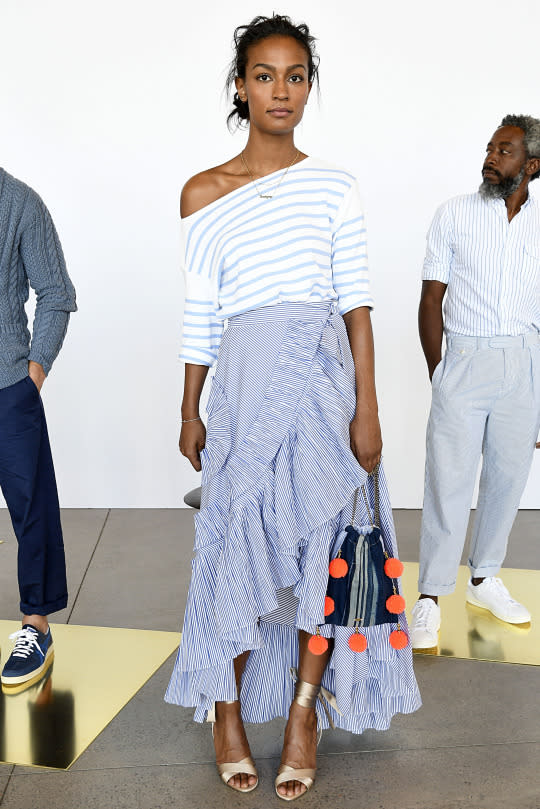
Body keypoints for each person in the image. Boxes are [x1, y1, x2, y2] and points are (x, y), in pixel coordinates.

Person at [165, 14, 420, 800]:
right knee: (236, 549)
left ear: (310, 86)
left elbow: (359, 308)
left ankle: (305, 710)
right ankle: (228, 710)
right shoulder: (202, 192)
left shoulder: (335, 186)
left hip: (323, 389)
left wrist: (367, 409)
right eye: (265, 75)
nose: (282, 89)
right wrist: (189, 409)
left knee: (323, 554)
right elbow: (201, 315)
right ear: (240, 86)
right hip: (243, 391)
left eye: (296, 75)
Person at [411, 115, 540, 650]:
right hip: (464, 360)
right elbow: (430, 299)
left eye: (505, 151)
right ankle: (430, 597)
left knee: (508, 480)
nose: (492, 158)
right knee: (449, 480)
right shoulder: (454, 215)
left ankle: (485, 578)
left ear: (531, 166)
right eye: (491, 148)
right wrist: (440, 373)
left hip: (524, 363)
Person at [0, 168, 76, 687]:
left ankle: (37, 625)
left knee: (32, 507)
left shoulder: (20, 203)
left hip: (8, 384)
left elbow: (56, 292)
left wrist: (35, 371)